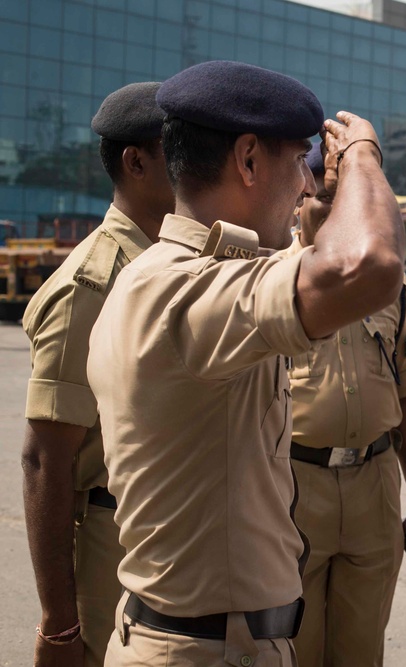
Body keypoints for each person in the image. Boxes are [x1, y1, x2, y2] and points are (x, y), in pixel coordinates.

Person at [86, 61, 404, 666]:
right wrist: (363, 156)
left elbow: (301, 259)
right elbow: (369, 266)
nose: (307, 188)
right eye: (297, 165)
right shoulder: (189, 292)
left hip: (207, 638)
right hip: (206, 649)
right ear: (249, 160)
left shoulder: (159, 276)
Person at [20, 82, 173, 667]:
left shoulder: (171, 263)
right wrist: (59, 624)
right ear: (136, 162)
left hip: (164, 531)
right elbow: (44, 458)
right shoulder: (92, 284)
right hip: (110, 538)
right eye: (176, 149)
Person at [284, 144, 406, 667]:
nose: (334, 207)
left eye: (344, 195)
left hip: (373, 484)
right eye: (323, 196)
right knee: (293, 647)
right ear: (299, 199)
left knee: (362, 649)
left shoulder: (388, 287)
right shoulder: (271, 283)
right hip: (295, 489)